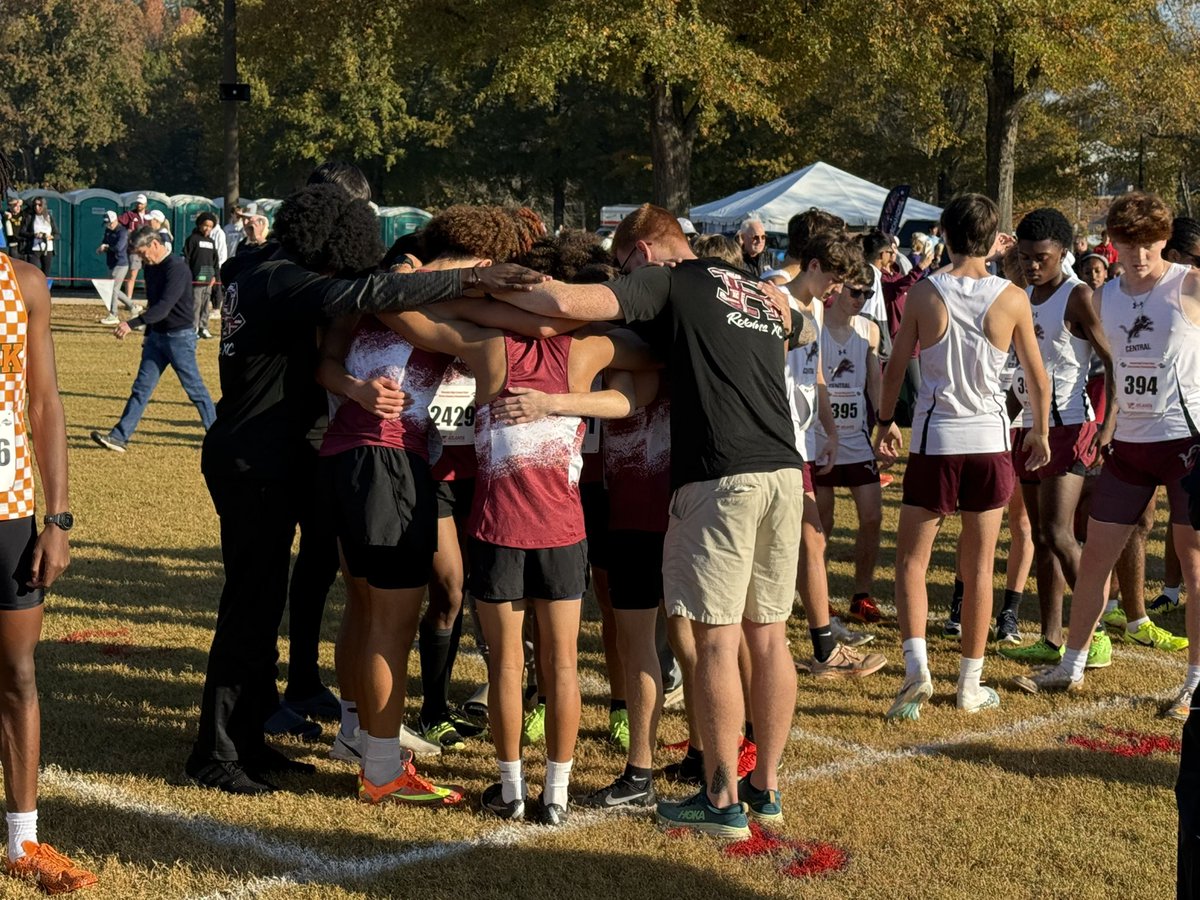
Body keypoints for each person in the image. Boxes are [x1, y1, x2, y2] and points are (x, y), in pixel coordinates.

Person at [184, 183, 544, 795]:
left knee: (266, 602)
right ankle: (214, 751)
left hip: (275, 453)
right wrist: (457, 280)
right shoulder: (278, 275)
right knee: (247, 606)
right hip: (257, 458)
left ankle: (246, 741)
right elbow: (366, 291)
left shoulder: (253, 265)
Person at [495, 204, 804, 839]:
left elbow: (571, 300)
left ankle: (720, 802)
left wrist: (488, 281)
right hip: (782, 470)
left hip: (720, 475)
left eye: (625, 263)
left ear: (641, 252)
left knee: (714, 638)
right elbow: (796, 326)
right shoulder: (752, 287)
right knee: (768, 636)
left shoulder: (666, 276)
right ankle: (764, 788)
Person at [1013, 192, 1199, 720]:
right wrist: (1110, 426)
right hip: (1131, 448)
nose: (1139, 255)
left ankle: (1195, 681)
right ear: (1111, 244)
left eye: (1149, 244)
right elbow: (1109, 368)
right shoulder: (1100, 297)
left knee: (1193, 564)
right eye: (1127, 244)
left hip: (1187, 444)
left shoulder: (1189, 284)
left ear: (1165, 240)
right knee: (1094, 556)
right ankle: (1071, 664)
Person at [875, 193, 1051, 720]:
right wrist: (1040, 432)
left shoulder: (926, 292)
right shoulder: (1013, 296)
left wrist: (884, 423)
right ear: (994, 237)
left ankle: (917, 669)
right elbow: (1037, 377)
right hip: (991, 443)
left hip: (938, 440)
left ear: (945, 236)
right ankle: (968, 686)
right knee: (977, 569)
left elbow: (894, 366)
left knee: (912, 560)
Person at [0, 150, 96, 894]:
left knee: (17, 673)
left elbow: (45, 406)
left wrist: (55, 519)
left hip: (8, 510)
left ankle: (24, 843)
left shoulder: (22, 283)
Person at [996, 208, 1117, 666]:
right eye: (1025, 257)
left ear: (1062, 253)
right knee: (1040, 537)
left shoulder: (1076, 295)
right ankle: (1049, 636)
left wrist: (1108, 426)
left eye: (1041, 257)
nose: (1031, 265)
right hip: (1029, 425)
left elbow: (1112, 359)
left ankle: (1097, 630)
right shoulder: (1021, 294)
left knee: (1059, 532)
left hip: (1069, 426)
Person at [89, 226, 216, 452]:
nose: (140, 257)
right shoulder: (151, 268)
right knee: (141, 388)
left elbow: (164, 307)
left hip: (179, 339)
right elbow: (153, 305)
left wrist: (131, 324)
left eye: (142, 252)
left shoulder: (177, 269)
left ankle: (218, 436)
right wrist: (148, 336)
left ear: (155, 244)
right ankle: (119, 437)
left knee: (195, 389)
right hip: (156, 338)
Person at [812, 266, 889, 626]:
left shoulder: (869, 331)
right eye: (856, 293)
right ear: (838, 289)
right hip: (818, 438)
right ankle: (820, 596)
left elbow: (874, 381)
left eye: (868, 295)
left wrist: (885, 422)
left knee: (872, 516)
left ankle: (861, 595)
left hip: (856, 438)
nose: (861, 300)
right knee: (820, 523)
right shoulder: (814, 325)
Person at [183, 213, 220, 339]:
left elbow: (215, 261)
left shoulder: (211, 241)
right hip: (195, 280)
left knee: (205, 305)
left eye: (210, 226)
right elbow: (187, 258)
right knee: (195, 304)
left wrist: (214, 276)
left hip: (208, 278)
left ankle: (203, 327)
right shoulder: (192, 239)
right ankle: (193, 328)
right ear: (199, 225)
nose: (207, 229)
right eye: (205, 225)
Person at [97, 211, 135, 325]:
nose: (108, 225)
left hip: (121, 264)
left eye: (109, 223)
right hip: (111, 263)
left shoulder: (122, 232)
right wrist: (101, 247)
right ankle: (133, 307)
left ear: (114, 221)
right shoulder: (108, 231)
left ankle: (113, 315)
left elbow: (119, 248)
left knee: (113, 289)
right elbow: (105, 241)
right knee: (114, 290)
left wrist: (106, 248)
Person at [118, 194, 150, 302]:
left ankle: (150, 299)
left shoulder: (149, 215)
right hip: (134, 250)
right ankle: (129, 300)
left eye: (141, 203)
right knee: (132, 275)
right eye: (138, 203)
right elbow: (119, 223)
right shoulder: (130, 214)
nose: (139, 205)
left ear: (145, 204)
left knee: (150, 275)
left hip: (147, 249)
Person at [17, 199, 57, 282]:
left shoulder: (49, 217)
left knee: (46, 273)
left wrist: (50, 237)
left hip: (47, 249)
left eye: (39, 205)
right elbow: (22, 232)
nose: (37, 207)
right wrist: (34, 235)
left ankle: (46, 291)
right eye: (35, 205)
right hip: (34, 249)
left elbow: (57, 234)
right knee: (34, 270)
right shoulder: (30, 217)